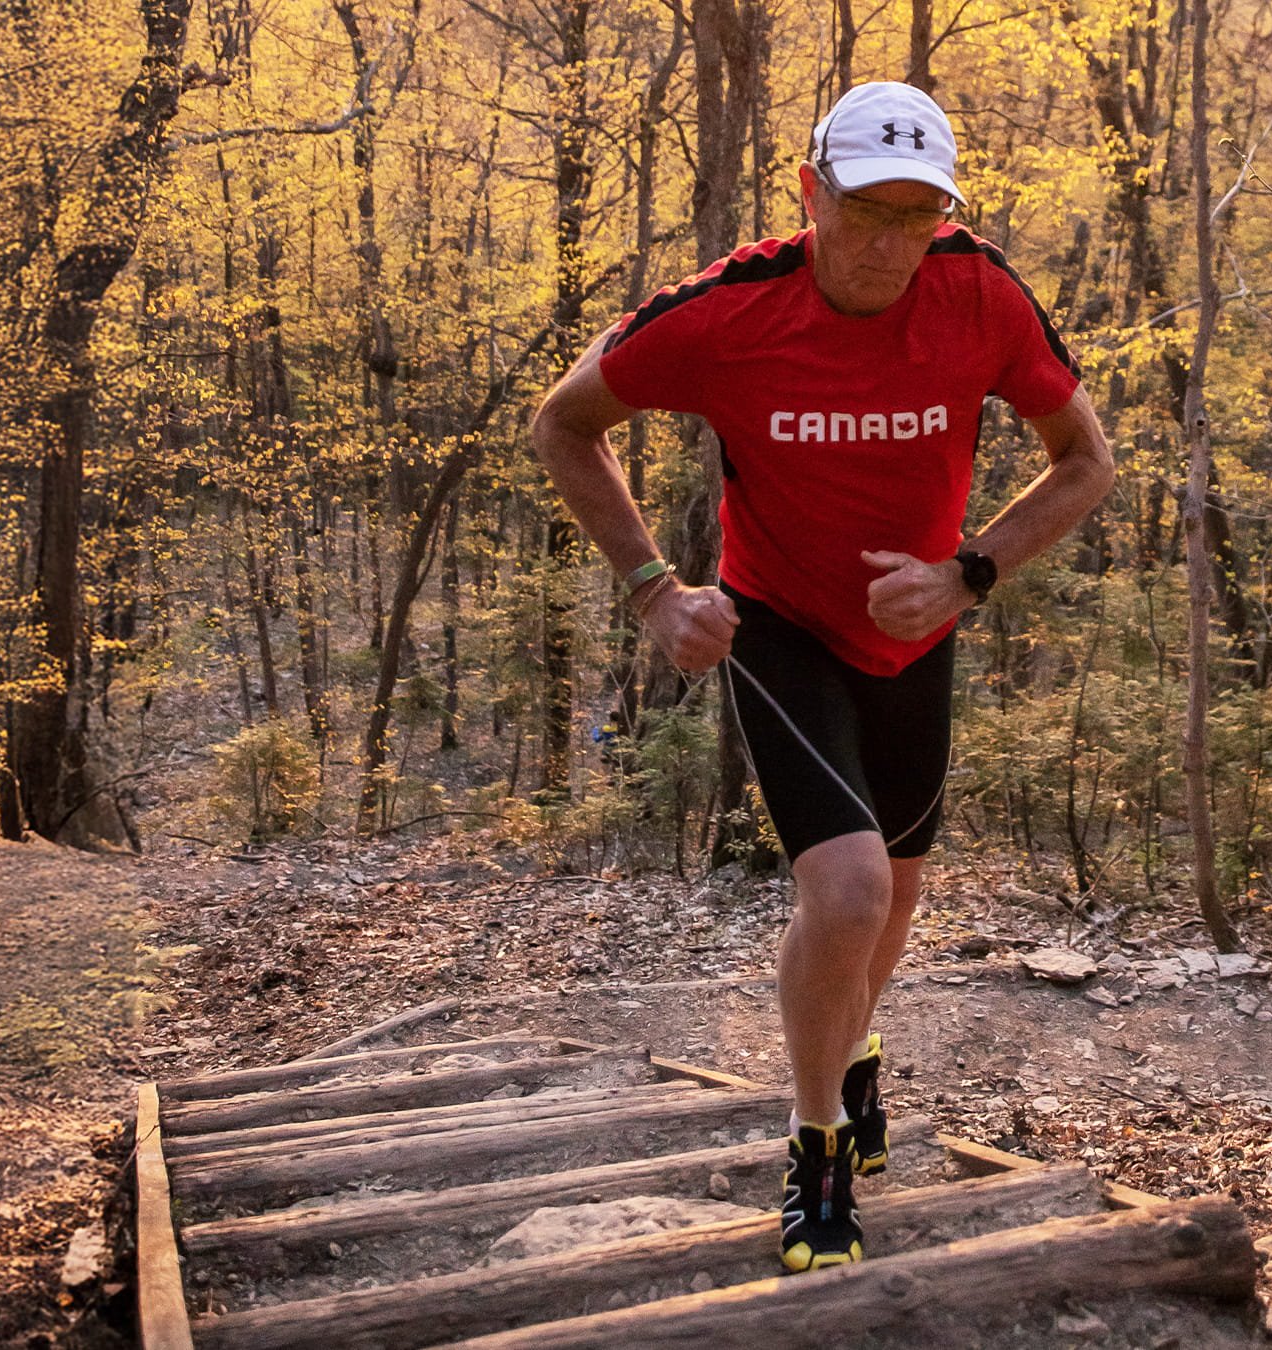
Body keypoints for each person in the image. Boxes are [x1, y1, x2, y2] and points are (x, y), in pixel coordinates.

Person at [527, 80, 1114, 1273]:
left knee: (893, 906)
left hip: (919, 634)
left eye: (920, 217)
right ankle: (817, 1150)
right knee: (845, 895)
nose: (896, 245)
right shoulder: (727, 311)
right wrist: (652, 588)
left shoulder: (981, 293)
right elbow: (563, 422)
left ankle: (851, 1048)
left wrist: (969, 573)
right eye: (869, 214)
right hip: (779, 628)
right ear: (811, 193)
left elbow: (1086, 462)